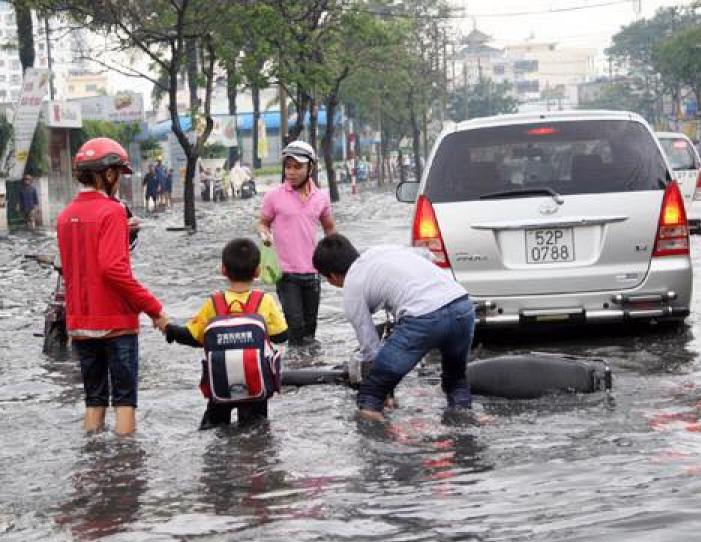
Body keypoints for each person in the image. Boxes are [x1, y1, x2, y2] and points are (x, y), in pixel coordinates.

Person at [57, 137, 167, 436]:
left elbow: (79, 266)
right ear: (108, 174)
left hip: (80, 323)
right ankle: (125, 470)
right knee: (124, 402)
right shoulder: (113, 211)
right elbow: (113, 269)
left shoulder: (65, 215)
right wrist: (154, 309)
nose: (119, 181)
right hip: (116, 323)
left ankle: (95, 464)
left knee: (93, 401)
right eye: (118, 173)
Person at [312, 233, 475, 421]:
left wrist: (382, 387)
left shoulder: (352, 287)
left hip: (424, 318)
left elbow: (370, 349)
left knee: (370, 394)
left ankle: (378, 440)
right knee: (455, 380)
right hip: (462, 305)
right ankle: (464, 420)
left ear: (331, 276)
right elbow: (428, 255)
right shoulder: (382, 250)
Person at [161, 238, 288, 429]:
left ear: (223, 270)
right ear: (257, 271)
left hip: (219, 382)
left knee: (214, 430)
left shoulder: (214, 303)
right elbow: (281, 335)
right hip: (255, 383)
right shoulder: (264, 301)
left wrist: (170, 329)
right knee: (256, 434)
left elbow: (193, 337)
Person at [257, 140, 337, 346]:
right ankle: (293, 369)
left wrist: (337, 259)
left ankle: (310, 367)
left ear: (311, 167)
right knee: (295, 327)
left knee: (310, 330)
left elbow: (329, 229)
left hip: (313, 273)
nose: (291, 172)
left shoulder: (321, 198)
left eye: (298, 167)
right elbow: (263, 223)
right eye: (288, 166)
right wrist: (265, 235)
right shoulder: (273, 196)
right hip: (286, 274)